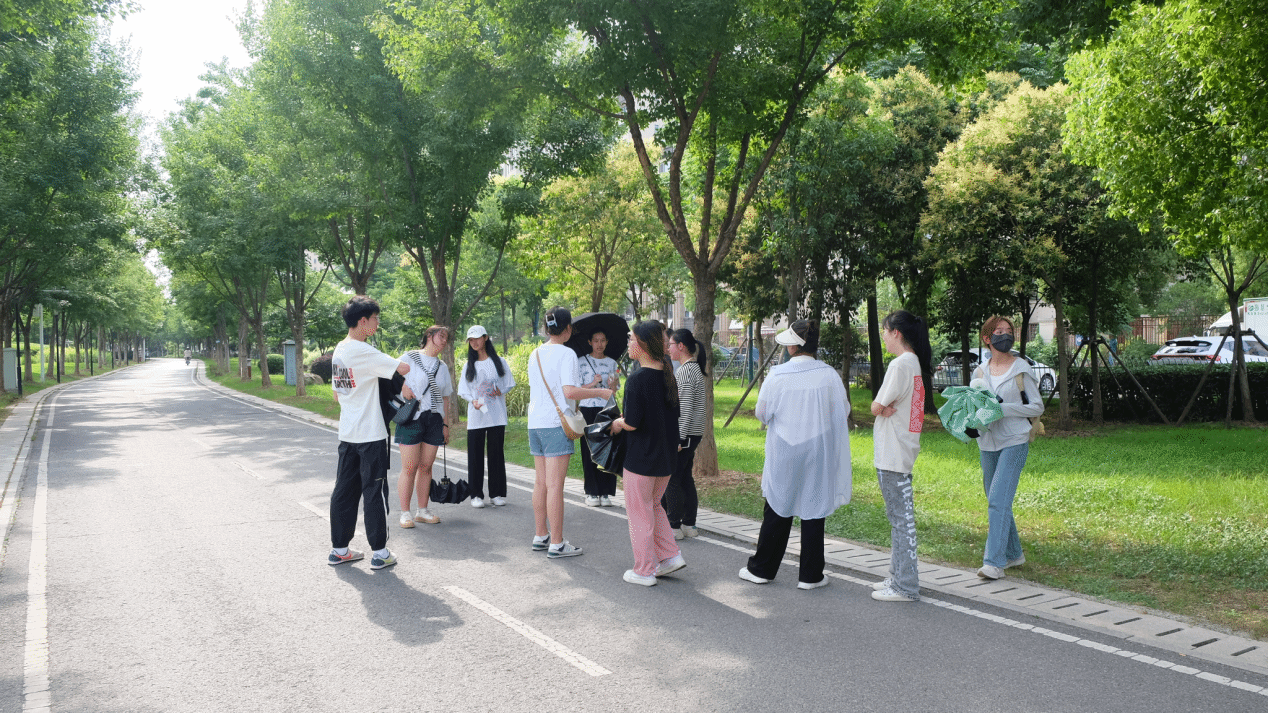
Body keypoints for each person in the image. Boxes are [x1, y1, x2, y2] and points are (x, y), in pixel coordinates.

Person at [738, 320, 851, 590]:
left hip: (785, 449)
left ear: (792, 346)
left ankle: (762, 569)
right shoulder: (829, 375)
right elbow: (842, 411)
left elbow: (762, 413)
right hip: (817, 449)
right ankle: (811, 575)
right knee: (814, 506)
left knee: (778, 505)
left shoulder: (777, 375)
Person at [328, 296, 411, 570]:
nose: (377, 323)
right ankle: (380, 552)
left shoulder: (340, 350)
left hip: (348, 433)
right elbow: (403, 368)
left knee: (344, 490)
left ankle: (340, 550)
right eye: (375, 318)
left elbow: (338, 394)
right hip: (371, 434)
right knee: (374, 490)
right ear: (363, 321)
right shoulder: (362, 350)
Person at [528, 307, 614, 558]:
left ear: (547, 328)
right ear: (567, 329)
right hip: (556, 424)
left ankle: (541, 535)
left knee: (541, 483)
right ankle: (557, 543)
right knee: (555, 486)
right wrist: (600, 392)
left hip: (535, 422)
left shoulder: (535, 353)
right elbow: (570, 391)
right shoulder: (567, 354)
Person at [609, 321, 683, 586]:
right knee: (654, 506)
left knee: (640, 513)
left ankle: (644, 570)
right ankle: (670, 556)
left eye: (631, 339)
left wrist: (617, 423)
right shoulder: (668, 374)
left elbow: (632, 422)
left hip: (641, 459)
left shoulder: (637, 379)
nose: (628, 343)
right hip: (665, 458)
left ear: (641, 344)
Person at [972, 315, 1044, 580]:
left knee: (998, 500)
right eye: (999, 331)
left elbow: (1037, 407)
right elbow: (976, 405)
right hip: (987, 442)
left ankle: (994, 563)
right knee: (996, 499)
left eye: (1009, 331)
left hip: (1015, 439)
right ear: (987, 338)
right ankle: (1014, 554)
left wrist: (1004, 409)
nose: (1006, 335)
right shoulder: (980, 372)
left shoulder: (1021, 368)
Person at [869, 310, 933, 602]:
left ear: (896, 333)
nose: (883, 337)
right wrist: (883, 408)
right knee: (900, 519)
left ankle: (905, 586)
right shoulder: (914, 362)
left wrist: (880, 408)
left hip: (892, 453)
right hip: (903, 449)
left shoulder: (900, 364)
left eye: (885, 331)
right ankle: (897, 578)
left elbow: (876, 406)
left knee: (901, 522)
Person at [395, 326, 453, 529]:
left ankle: (422, 510)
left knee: (426, 467)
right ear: (429, 336)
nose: (444, 341)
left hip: (434, 419)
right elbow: (389, 376)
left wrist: (445, 424)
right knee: (409, 467)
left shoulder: (442, 367)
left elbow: (445, 398)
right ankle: (405, 513)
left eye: (447, 338)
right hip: (412, 418)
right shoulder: (410, 358)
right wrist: (402, 386)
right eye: (441, 336)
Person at [457, 325, 515, 509]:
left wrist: (500, 391)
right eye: (471, 340)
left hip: (496, 415)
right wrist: (472, 401)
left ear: (486, 338)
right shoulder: (469, 365)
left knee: (496, 454)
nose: (474, 343)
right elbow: (463, 390)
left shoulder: (499, 362)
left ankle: (496, 493)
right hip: (477, 416)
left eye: (477, 338)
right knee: (475, 456)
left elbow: (509, 383)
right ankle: (476, 494)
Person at [664, 328, 708, 540]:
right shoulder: (691, 368)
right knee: (685, 478)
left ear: (681, 346)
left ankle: (674, 526)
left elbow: (685, 408)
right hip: (692, 434)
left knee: (672, 479)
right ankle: (689, 524)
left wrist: (678, 438)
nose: (668, 348)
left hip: (686, 435)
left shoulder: (686, 372)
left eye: (671, 344)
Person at [577, 329, 620, 507]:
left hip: (606, 409)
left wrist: (613, 385)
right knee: (589, 450)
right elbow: (576, 389)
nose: (599, 344)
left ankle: (605, 492)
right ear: (590, 342)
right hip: (587, 409)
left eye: (603, 340)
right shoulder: (581, 362)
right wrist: (593, 384)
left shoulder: (612, 363)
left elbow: (614, 391)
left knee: (607, 449)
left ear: (607, 342)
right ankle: (592, 492)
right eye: (596, 340)